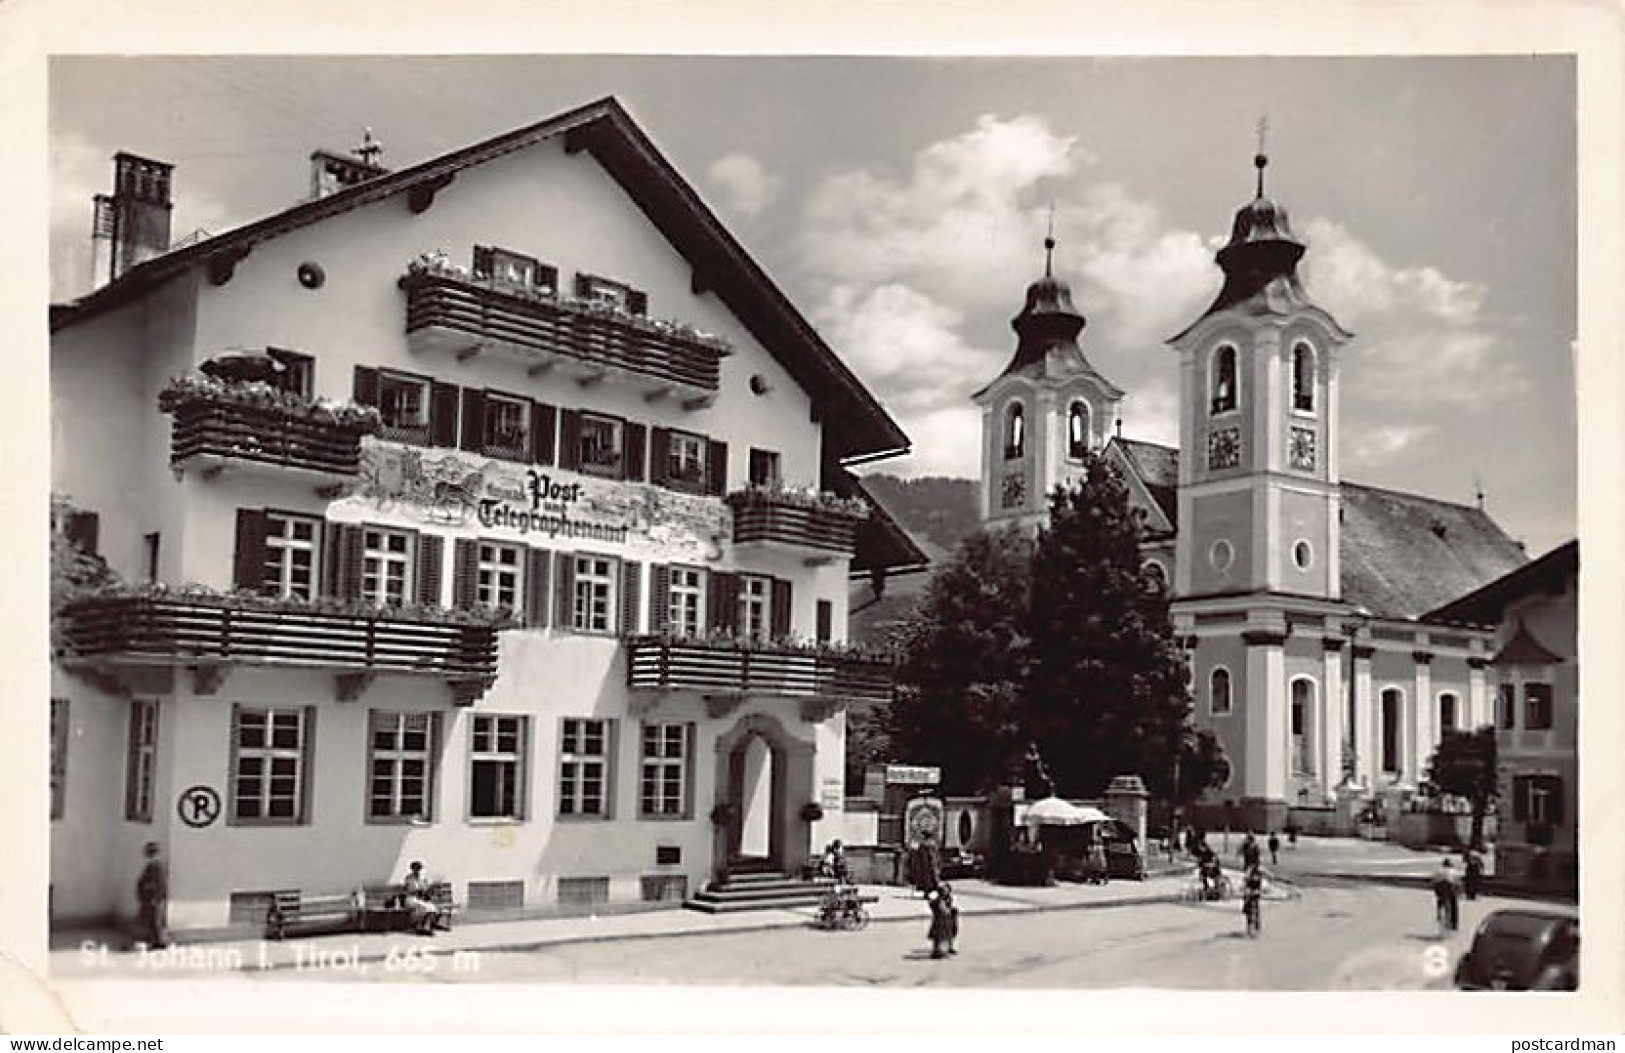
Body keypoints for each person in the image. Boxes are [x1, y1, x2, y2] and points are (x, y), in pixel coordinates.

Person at [133, 842, 168, 950]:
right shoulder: (150, 866)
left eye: (151, 853)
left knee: (156, 921)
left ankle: (160, 942)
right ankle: (153, 941)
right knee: (150, 920)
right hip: (148, 898)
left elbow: (160, 884)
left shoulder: (157, 867)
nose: (149, 855)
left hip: (154, 899)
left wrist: (156, 898)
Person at [403, 861, 442, 936]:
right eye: (416, 869)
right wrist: (416, 891)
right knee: (423, 907)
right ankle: (420, 927)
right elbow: (406, 889)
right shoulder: (409, 878)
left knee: (431, 907)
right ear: (412, 869)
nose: (417, 870)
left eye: (419, 869)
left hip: (421, 898)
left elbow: (426, 889)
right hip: (411, 898)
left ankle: (427, 927)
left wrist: (431, 888)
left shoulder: (423, 879)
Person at [926, 882, 959, 959]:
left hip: (945, 920)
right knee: (939, 936)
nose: (946, 892)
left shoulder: (948, 898)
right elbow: (941, 909)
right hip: (939, 921)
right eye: (944, 890)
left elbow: (946, 909)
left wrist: (951, 911)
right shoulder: (938, 900)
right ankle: (936, 952)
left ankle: (944, 950)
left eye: (947, 890)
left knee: (946, 935)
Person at [1432, 858, 1461, 934]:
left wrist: (1436, 891)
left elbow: (1434, 881)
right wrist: (1459, 891)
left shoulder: (1438, 871)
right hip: (1450, 889)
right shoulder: (1454, 871)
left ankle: (1439, 916)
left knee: (1440, 902)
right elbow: (1458, 882)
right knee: (1454, 905)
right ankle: (1454, 924)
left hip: (1441, 889)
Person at [1242, 863, 1264, 936]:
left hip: (1256, 892)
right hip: (1249, 892)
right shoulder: (1249, 873)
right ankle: (1250, 926)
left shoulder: (1258, 872)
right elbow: (1245, 882)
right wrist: (1246, 889)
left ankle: (1256, 925)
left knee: (1255, 907)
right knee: (1247, 908)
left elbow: (1269, 876)